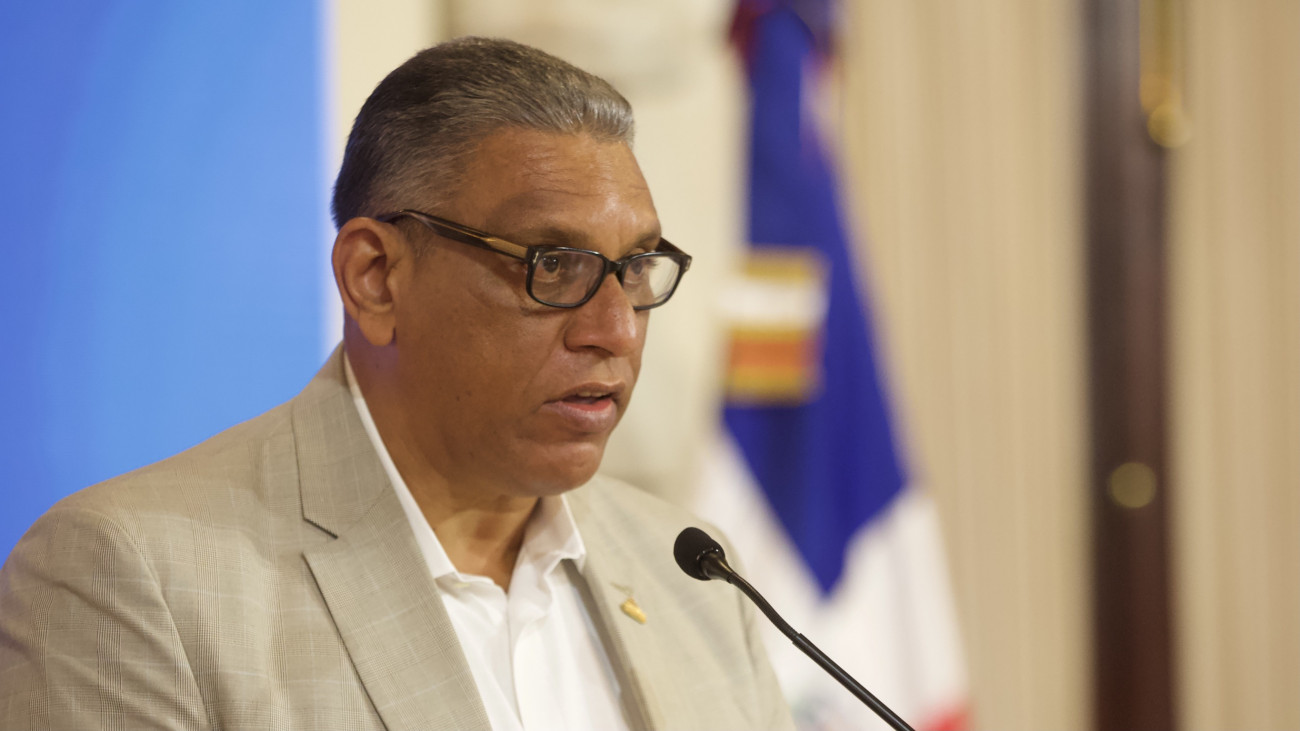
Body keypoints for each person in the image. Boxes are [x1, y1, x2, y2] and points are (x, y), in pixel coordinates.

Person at [0, 37, 793, 730]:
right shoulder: (132, 578)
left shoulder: (694, 573)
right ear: (374, 277)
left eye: (636, 267)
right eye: (554, 265)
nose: (615, 329)